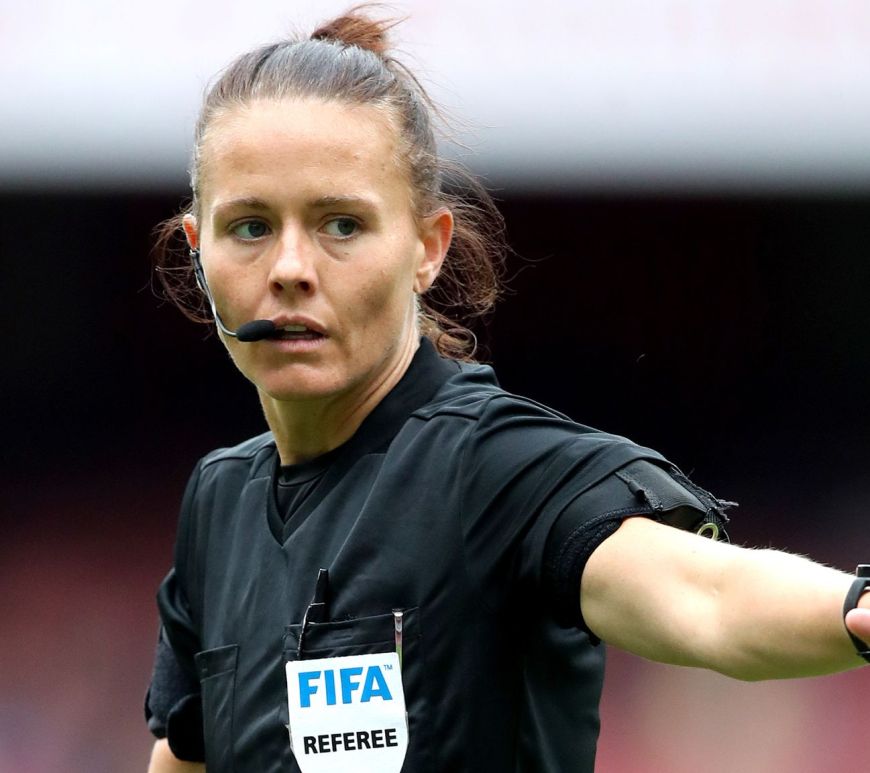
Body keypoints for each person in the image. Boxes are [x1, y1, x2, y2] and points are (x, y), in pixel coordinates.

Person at [144, 8, 870, 773]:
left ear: (427, 249)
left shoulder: (494, 469)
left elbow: (709, 597)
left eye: (343, 225)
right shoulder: (217, 502)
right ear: (197, 249)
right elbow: (186, 756)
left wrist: (856, 608)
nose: (291, 268)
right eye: (251, 227)